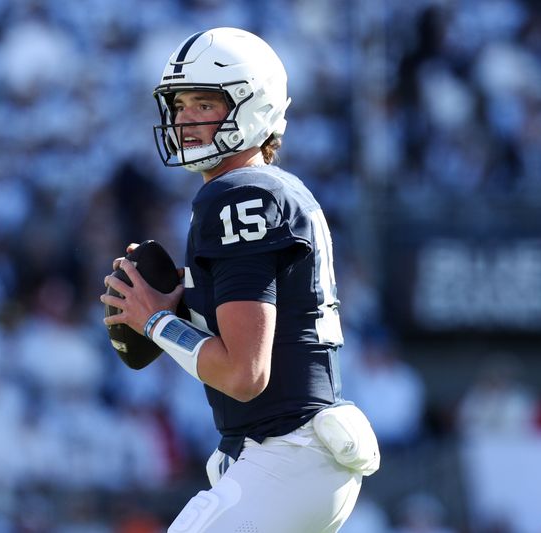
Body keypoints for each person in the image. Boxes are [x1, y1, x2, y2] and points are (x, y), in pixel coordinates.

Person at [101, 27, 379, 532]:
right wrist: (187, 308)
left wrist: (157, 322)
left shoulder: (238, 195)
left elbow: (243, 375)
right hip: (291, 455)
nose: (185, 119)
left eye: (204, 103)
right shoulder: (271, 189)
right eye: (179, 105)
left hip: (286, 454)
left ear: (253, 105)